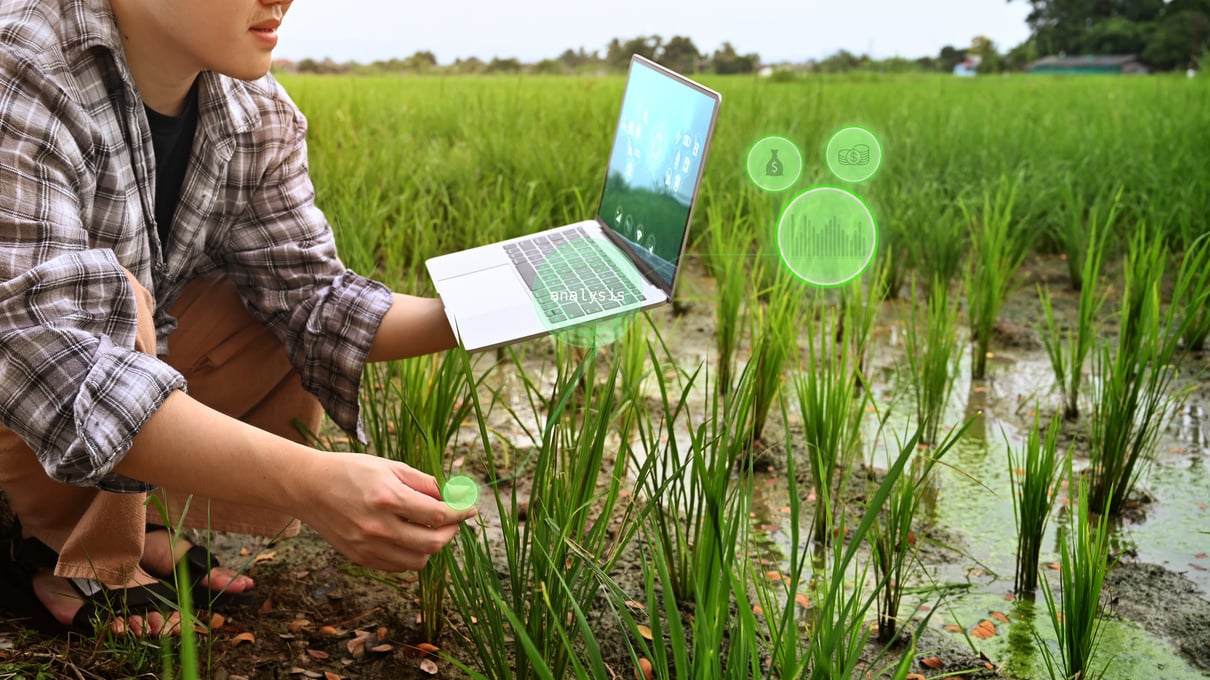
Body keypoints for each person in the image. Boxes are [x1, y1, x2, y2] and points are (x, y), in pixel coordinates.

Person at [0, 0, 477, 636]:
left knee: (258, 304)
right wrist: (312, 484)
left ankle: (131, 525)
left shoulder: (248, 107)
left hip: (64, 380)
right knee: (115, 297)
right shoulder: (22, 65)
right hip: (27, 373)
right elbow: (44, 355)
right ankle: (61, 551)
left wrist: (484, 308)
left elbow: (313, 296)